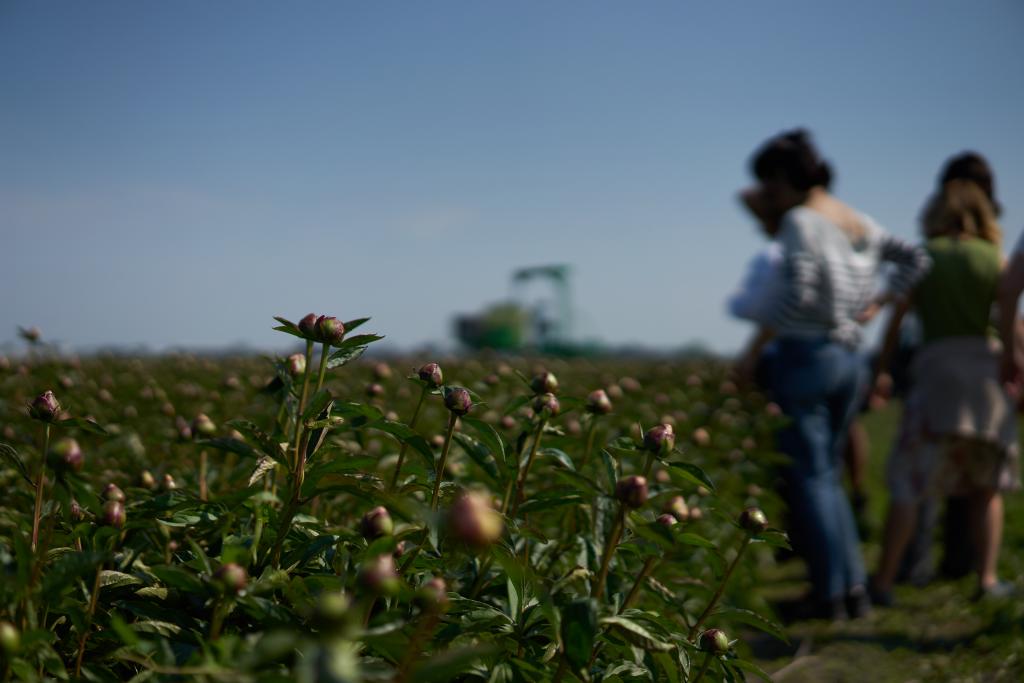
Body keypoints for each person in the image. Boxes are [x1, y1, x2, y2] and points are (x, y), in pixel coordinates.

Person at [735, 129, 930, 620]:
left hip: (806, 355)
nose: (768, 196)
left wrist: (753, 349)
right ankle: (851, 591)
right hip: (849, 359)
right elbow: (915, 258)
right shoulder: (854, 220)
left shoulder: (802, 221)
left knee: (810, 477)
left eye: (769, 184)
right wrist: (878, 302)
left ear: (783, 179)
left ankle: (829, 594)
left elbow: (797, 292)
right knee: (829, 478)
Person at [871, 179, 1016, 603]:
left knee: (910, 484)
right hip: (985, 376)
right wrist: (1014, 361)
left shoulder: (925, 258)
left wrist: (882, 370)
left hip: (935, 373)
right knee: (985, 488)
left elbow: (896, 320)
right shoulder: (994, 259)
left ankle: (883, 581)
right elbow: (1011, 315)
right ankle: (986, 580)